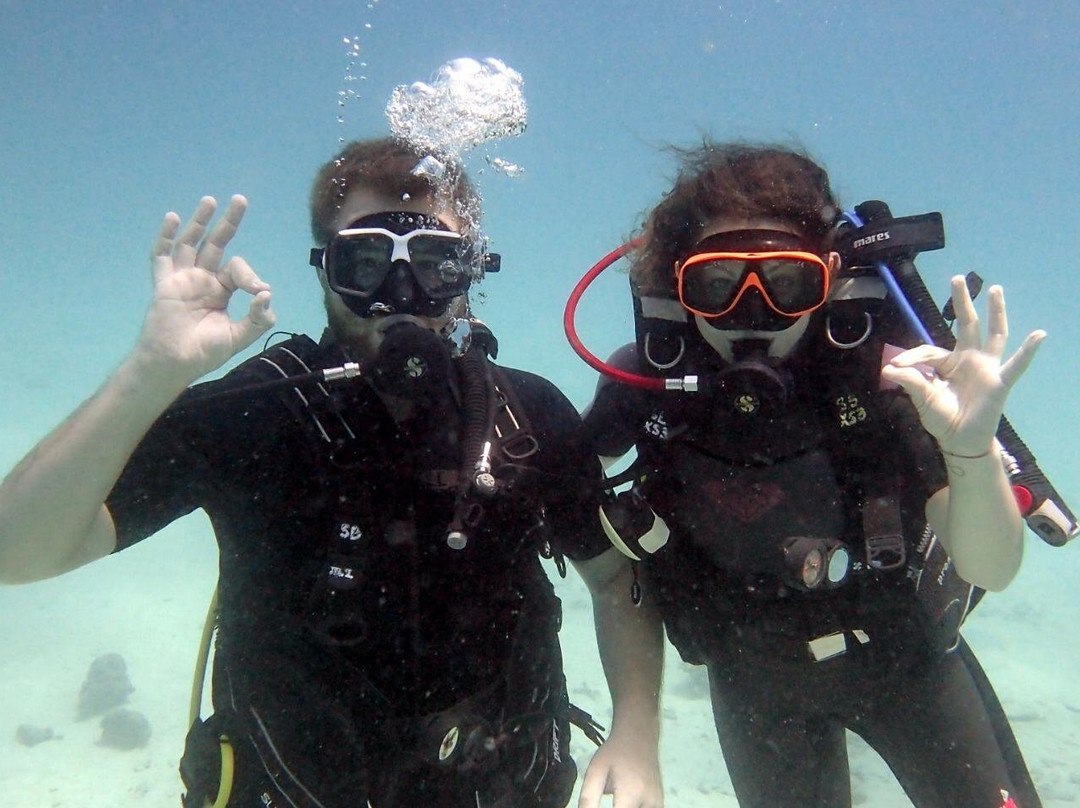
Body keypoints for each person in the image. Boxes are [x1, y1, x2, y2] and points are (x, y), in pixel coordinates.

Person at [0, 137, 662, 808]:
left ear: (470, 273)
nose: (400, 297)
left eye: (434, 264)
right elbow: (14, 554)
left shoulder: (528, 417)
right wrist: (147, 377)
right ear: (324, 270)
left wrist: (637, 732)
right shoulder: (255, 414)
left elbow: (612, 576)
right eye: (367, 262)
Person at [581, 141, 1046, 807]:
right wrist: (635, 727)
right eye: (717, 284)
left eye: (787, 282)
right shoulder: (646, 388)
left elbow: (992, 567)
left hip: (907, 662)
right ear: (679, 284)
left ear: (828, 277)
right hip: (754, 683)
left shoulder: (888, 383)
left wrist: (970, 452)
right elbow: (579, 521)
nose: (751, 311)